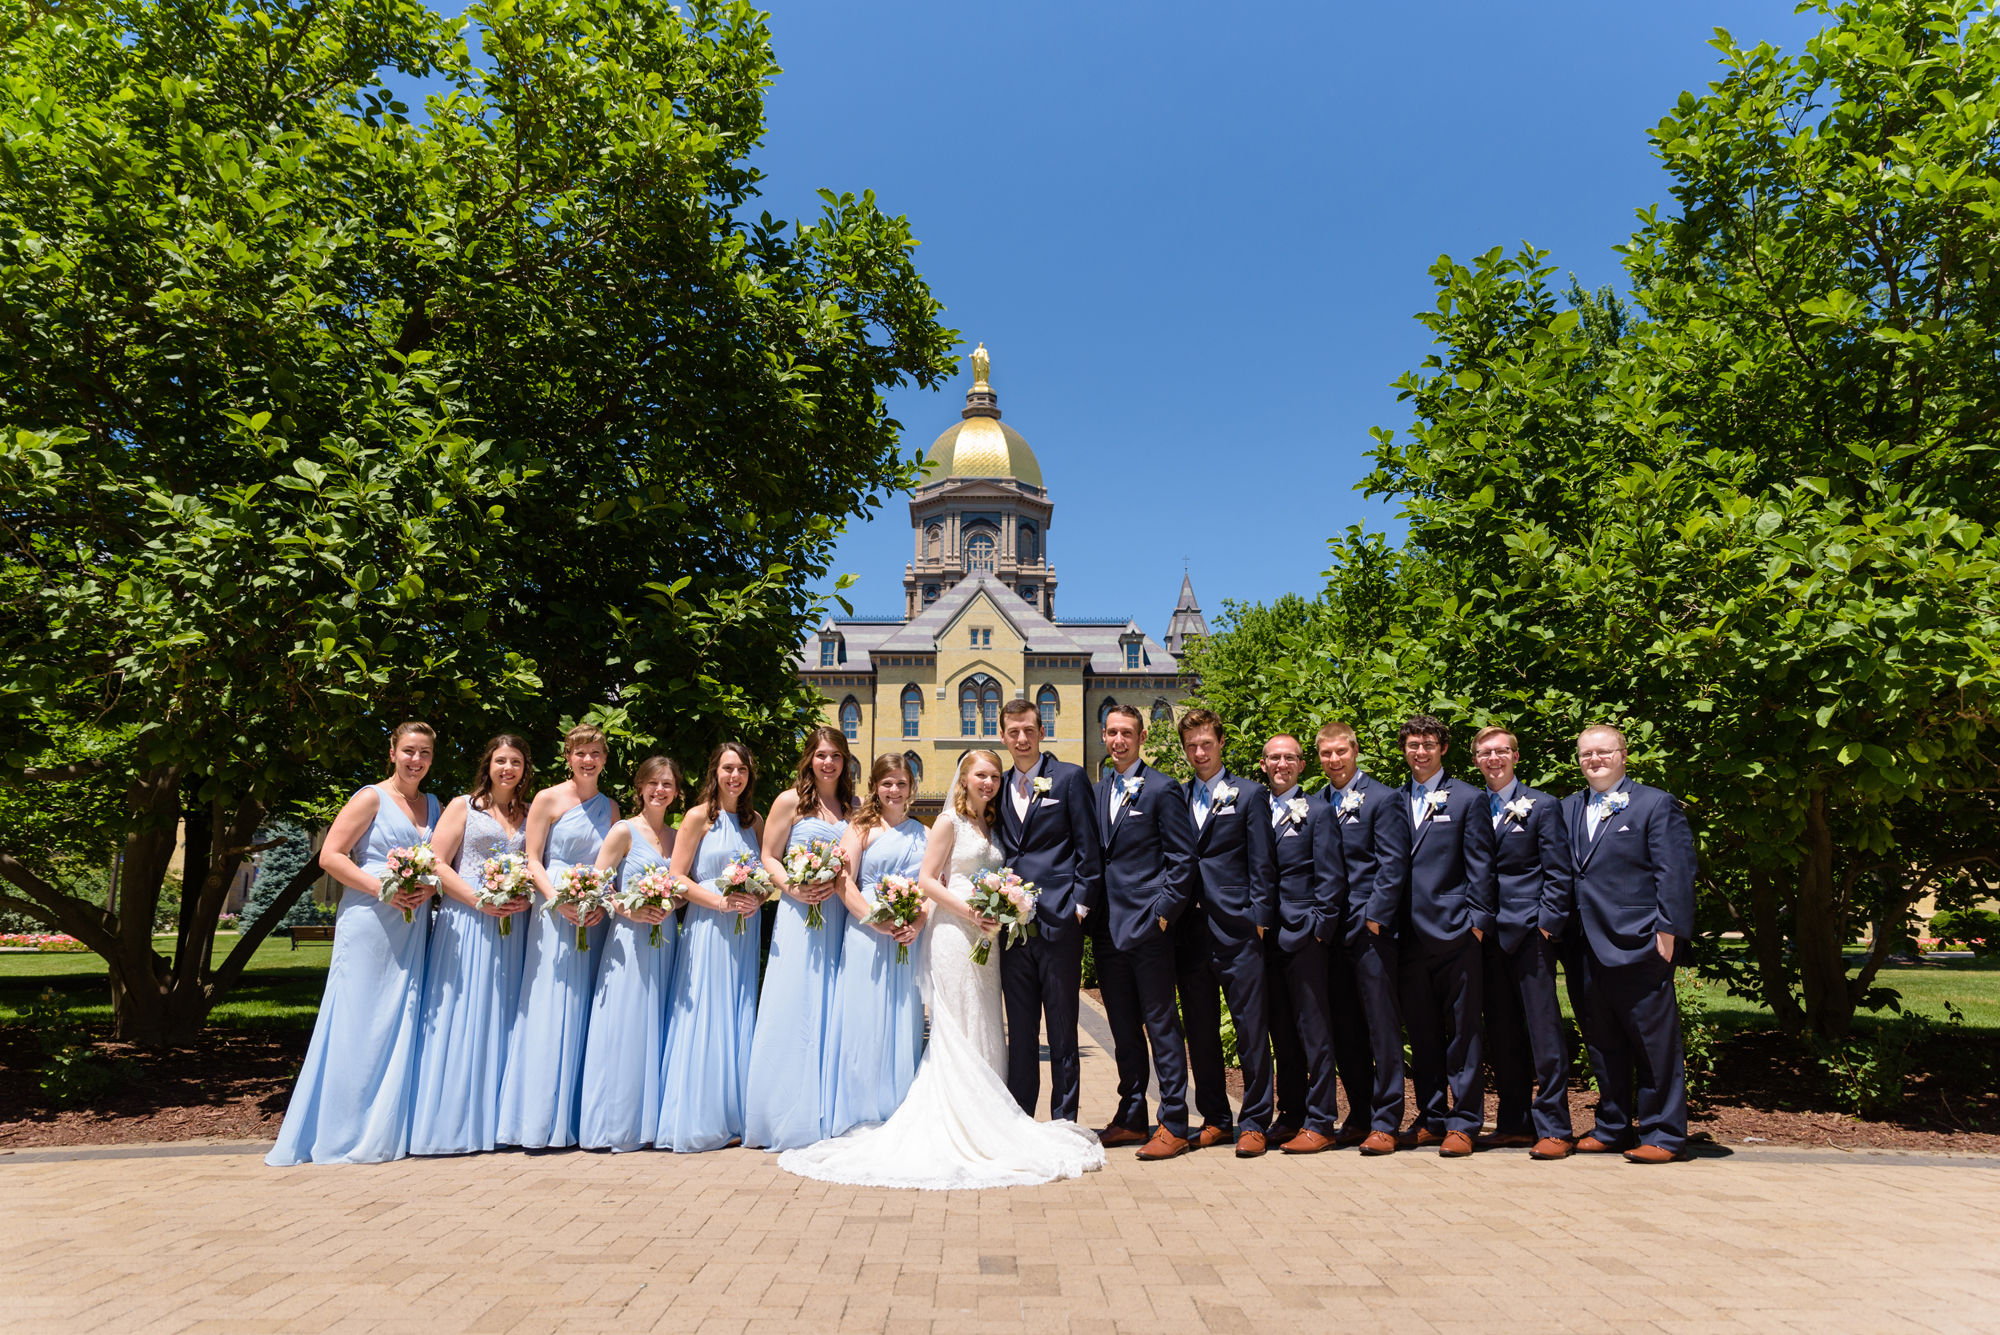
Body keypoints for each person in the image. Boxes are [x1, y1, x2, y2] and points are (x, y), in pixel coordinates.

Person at [777, 751, 1105, 1189]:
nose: (987, 782)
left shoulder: (992, 823)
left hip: (985, 936)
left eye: (993, 775)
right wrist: (971, 912)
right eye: (979, 775)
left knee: (985, 1021)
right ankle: (960, 1119)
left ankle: (986, 1114)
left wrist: (1001, 906)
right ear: (963, 778)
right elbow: (930, 880)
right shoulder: (948, 822)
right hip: (955, 932)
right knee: (958, 1023)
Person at [267, 721, 441, 1166]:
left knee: (397, 1019)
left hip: (412, 923)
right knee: (357, 1020)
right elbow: (330, 856)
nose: (415, 760)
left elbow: (438, 862)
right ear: (392, 752)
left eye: (423, 753)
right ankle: (338, 1132)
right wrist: (384, 888)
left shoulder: (433, 804)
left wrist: (429, 888)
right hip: (369, 922)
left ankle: (384, 1127)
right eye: (408, 751)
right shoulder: (370, 797)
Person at [1563, 724, 1697, 1164]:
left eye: (1603, 752)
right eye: (1586, 754)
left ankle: (1664, 1133)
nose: (1594, 760)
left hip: (1640, 943)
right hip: (1583, 946)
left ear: (1623, 755)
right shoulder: (1567, 808)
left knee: (1653, 1045)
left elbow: (1674, 872)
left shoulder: (1654, 804)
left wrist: (1669, 932)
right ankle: (1613, 1126)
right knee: (1602, 1043)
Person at [410, 733, 536, 1156]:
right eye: (501, 760)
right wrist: (478, 899)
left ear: (524, 769)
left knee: (504, 1013)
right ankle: (453, 1124)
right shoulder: (463, 806)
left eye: (515, 762)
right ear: (488, 764)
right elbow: (435, 861)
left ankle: (498, 1122)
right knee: (464, 1013)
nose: (507, 769)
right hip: (466, 921)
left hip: (512, 926)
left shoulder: (530, 812)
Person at [497, 723, 617, 1149]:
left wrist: (598, 901)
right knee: (550, 1001)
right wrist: (557, 900)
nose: (588, 760)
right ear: (568, 757)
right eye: (580, 753)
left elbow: (612, 865)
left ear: (604, 758)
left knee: (586, 1004)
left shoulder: (612, 808)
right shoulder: (548, 799)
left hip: (594, 914)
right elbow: (532, 857)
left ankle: (579, 1118)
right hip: (553, 911)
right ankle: (537, 1120)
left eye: (595, 753)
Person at [1088, 704, 1198, 1160]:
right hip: (1108, 929)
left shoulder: (1162, 788)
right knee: (1122, 1028)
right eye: (1111, 733)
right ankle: (1132, 1115)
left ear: (1142, 736)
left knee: (1161, 1024)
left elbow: (1183, 858)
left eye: (1126, 733)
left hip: (1150, 927)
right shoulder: (1098, 791)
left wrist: (1164, 914)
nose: (1118, 740)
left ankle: (1174, 1120)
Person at [993, 698, 1103, 1124]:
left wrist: (1078, 907)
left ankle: (1064, 1120)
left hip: (1059, 921)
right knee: (1020, 1033)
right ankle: (1021, 1118)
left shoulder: (1070, 778)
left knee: (1062, 1030)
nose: (1021, 739)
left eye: (1029, 730)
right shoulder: (997, 785)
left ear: (1042, 732)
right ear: (1002, 736)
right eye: (1013, 732)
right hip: (1012, 928)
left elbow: (1088, 851)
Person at [744, 727, 854, 1150]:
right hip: (797, 912)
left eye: (836, 756)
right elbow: (768, 855)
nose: (828, 763)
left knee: (831, 1005)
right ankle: (782, 1113)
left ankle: (826, 1110)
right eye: (822, 755)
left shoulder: (852, 807)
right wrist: (792, 886)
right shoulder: (790, 801)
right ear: (810, 758)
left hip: (838, 917)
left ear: (845, 762)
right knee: (794, 1003)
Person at [1470, 727, 1577, 1159]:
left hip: (1531, 931)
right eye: (1484, 752)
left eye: (1500, 751)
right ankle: (1514, 1123)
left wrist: (1548, 924)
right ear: (1476, 759)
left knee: (1543, 1030)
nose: (1493, 758)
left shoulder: (1542, 805)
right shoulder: (1474, 805)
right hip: (1487, 935)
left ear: (1515, 756)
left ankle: (1555, 1126)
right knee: (1503, 1031)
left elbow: (1558, 870)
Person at [1176, 709, 1278, 1157]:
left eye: (1206, 744)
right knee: (1199, 1029)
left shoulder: (1251, 794)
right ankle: (1215, 1117)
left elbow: (1263, 861)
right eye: (1192, 745)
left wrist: (1258, 918)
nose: (1199, 752)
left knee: (1251, 1027)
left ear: (1221, 745)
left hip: (1237, 927)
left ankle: (1255, 1120)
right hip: (1189, 931)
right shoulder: (1176, 797)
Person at [1394, 714, 1496, 1158]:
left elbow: (1481, 867)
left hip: (1456, 933)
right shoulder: (1393, 800)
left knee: (1463, 1032)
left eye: (1429, 744)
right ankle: (1432, 1116)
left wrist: (1476, 923)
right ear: (1405, 749)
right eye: (1413, 744)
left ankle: (1465, 1120)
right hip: (1407, 938)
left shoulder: (1469, 799)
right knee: (1423, 1032)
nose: (1421, 751)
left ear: (1443, 749)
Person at [656, 742, 765, 1152]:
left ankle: (734, 1116)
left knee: (736, 1015)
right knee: (707, 1013)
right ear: (715, 772)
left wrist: (758, 896)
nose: (734, 776)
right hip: (709, 928)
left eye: (741, 769)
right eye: (727, 768)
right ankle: (701, 1117)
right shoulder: (699, 817)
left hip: (744, 931)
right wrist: (720, 901)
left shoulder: (754, 821)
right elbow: (677, 877)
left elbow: (767, 873)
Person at [577, 756, 684, 1152]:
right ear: (640, 787)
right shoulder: (624, 831)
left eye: (668, 784)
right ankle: (615, 1125)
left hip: (665, 935)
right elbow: (597, 885)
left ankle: (650, 1122)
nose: (660, 790)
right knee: (626, 1024)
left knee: (656, 1022)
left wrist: (669, 904)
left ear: (677, 791)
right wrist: (630, 908)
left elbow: (682, 886)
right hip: (628, 938)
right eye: (654, 783)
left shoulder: (676, 836)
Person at [823, 754, 928, 1136]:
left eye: (901, 783)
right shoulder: (860, 827)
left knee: (903, 1016)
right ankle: (859, 1108)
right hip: (867, 933)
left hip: (905, 937)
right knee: (863, 1016)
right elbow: (843, 882)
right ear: (875, 787)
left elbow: (934, 885)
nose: (894, 790)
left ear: (911, 788)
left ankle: (896, 1105)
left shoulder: (923, 833)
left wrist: (916, 921)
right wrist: (875, 919)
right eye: (887, 783)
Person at [1317, 721, 1409, 1152]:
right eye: (1326, 753)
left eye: (1341, 751)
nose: (1334, 760)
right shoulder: (1315, 801)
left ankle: (1387, 1121)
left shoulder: (1384, 798)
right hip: (1328, 933)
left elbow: (1393, 865)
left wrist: (1375, 917)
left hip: (1369, 930)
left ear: (1355, 751)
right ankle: (1358, 1113)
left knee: (1380, 1026)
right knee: (1345, 1027)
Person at [1259, 733, 1349, 1155]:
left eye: (1289, 758)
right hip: (1264, 938)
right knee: (1283, 1032)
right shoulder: (1254, 808)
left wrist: (1318, 930)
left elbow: (1332, 879)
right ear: (1262, 764)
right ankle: (1291, 1113)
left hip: (1305, 936)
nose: (1282, 764)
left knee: (1314, 1031)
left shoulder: (1318, 811)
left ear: (1301, 765)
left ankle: (1321, 1120)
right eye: (1274, 758)